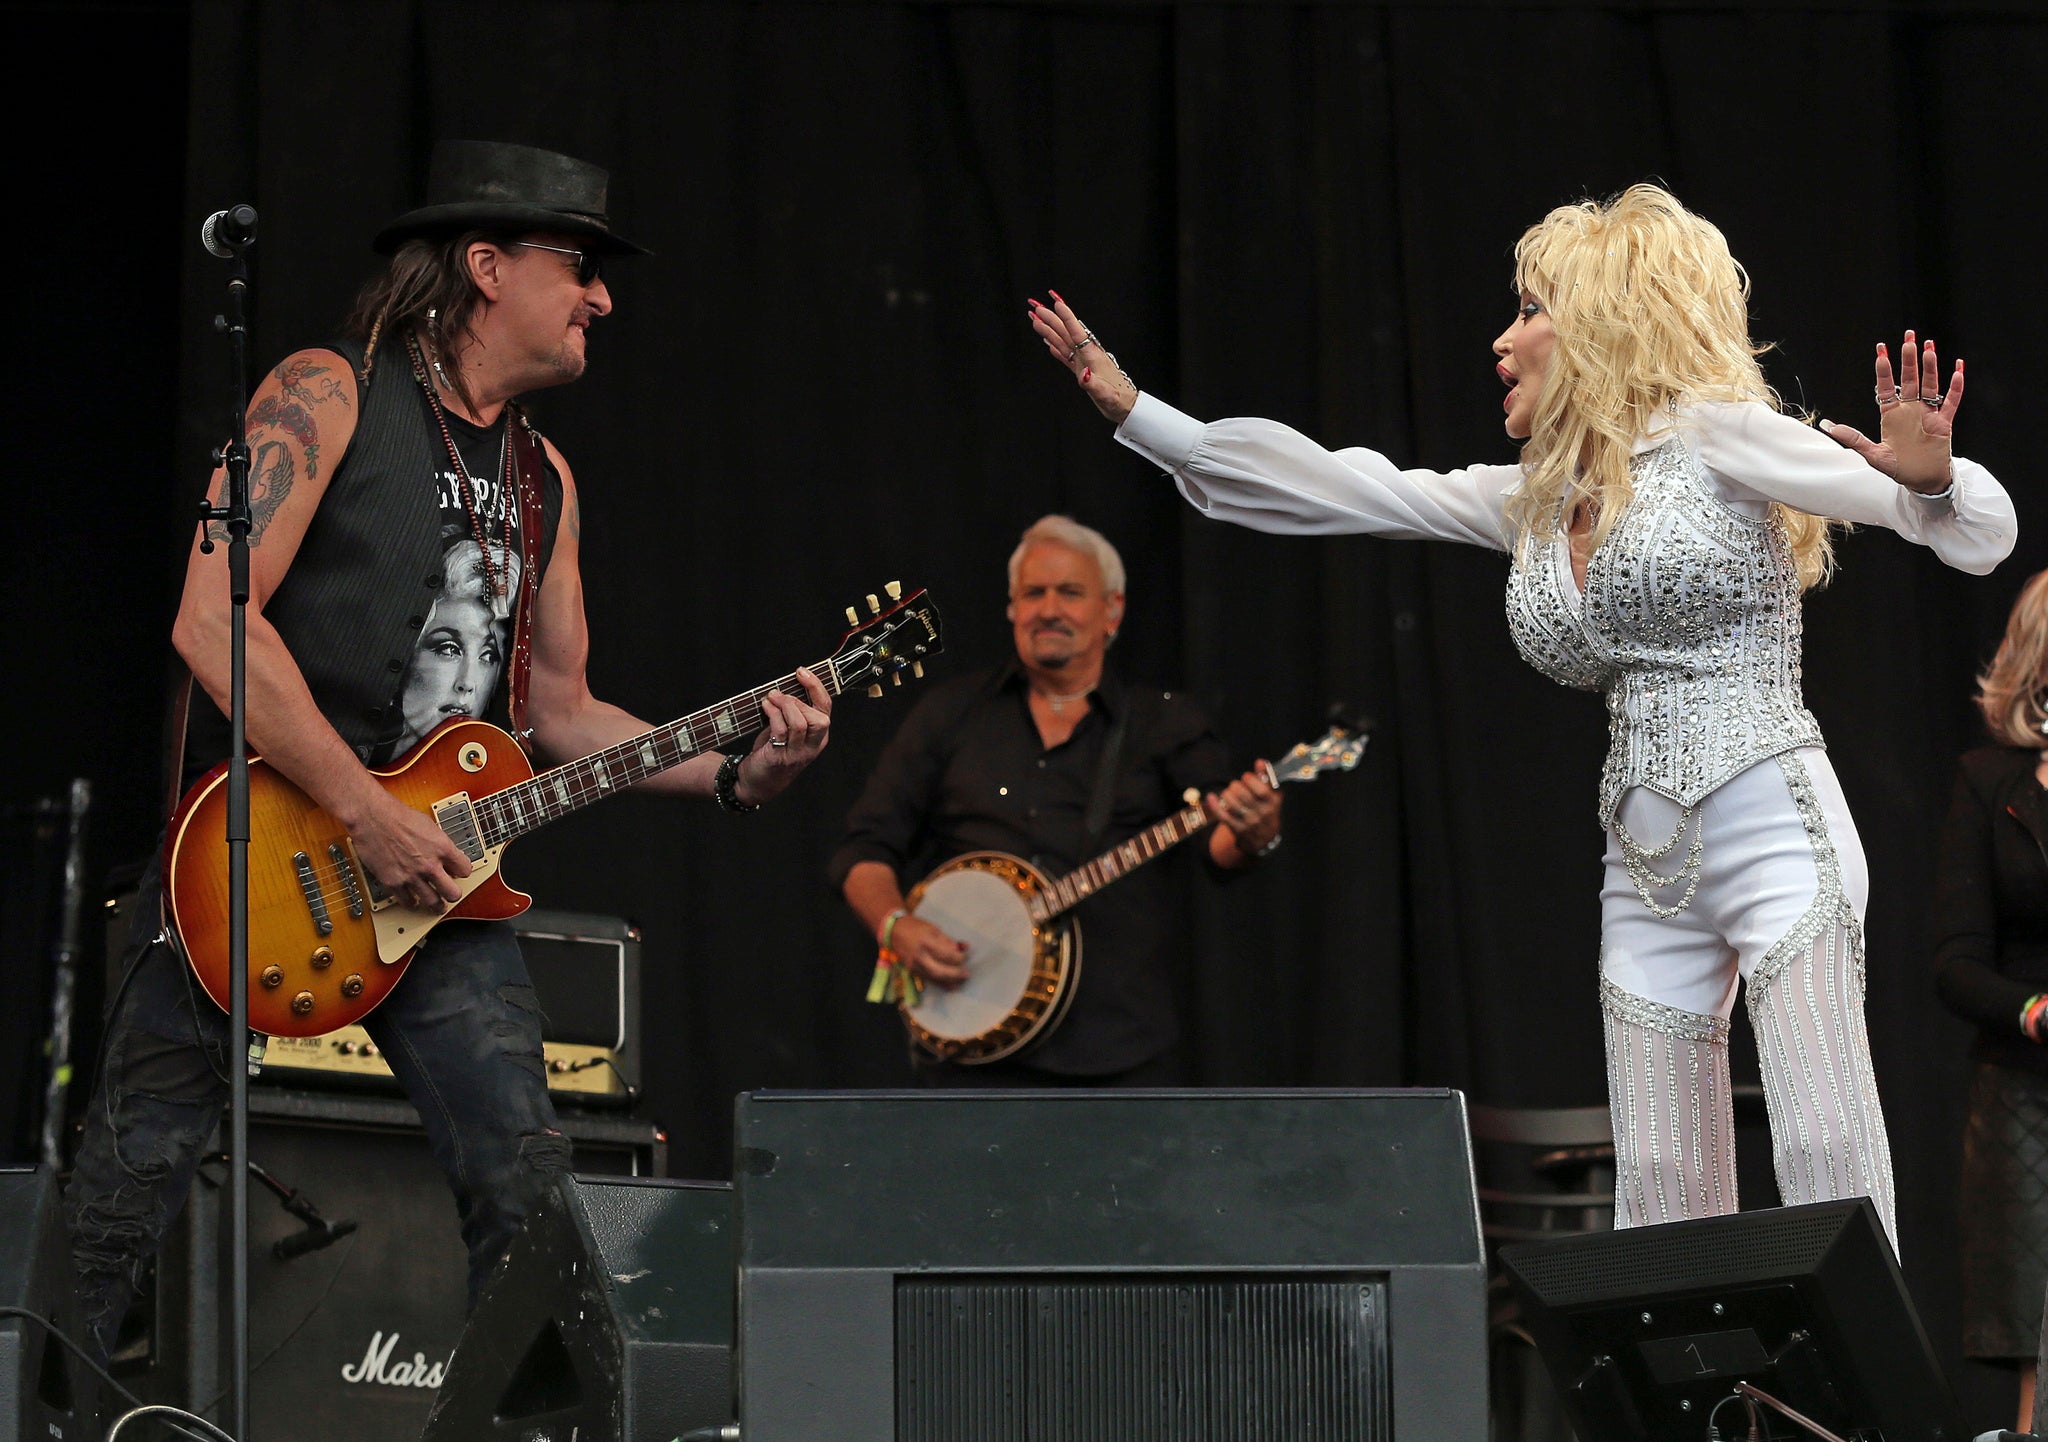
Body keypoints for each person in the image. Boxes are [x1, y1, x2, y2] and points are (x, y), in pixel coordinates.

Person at [1027, 183, 2017, 1243]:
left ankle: (1860, 1409)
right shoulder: (1535, 501)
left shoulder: (1719, 438)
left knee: (1823, 1153)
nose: (1501, 339)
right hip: (1641, 868)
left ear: (1602, 322)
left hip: (1775, 829)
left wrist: (1931, 482)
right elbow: (1341, 487)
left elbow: (1977, 536)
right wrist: (1141, 414)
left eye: (1530, 310)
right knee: (1656, 1191)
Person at [66, 139, 834, 1359]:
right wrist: (366, 814)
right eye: (575, 265)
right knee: (126, 1181)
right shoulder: (326, 391)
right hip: (259, 851)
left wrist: (742, 764)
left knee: (529, 1195)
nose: (601, 297)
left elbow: (561, 711)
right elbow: (210, 619)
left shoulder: (544, 478)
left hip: (439, 889)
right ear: (485, 266)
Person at [830, 514, 1283, 1085]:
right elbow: (863, 850)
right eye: (1033, 593)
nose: (1049, 609)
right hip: (966, 1053)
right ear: (1012, 609)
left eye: (1070, 592)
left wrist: (1257, 830)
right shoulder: (951, 714)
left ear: (1111, 611)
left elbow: (1220, 845)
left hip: (1117, 1050)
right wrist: (897, 926)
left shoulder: (1163, 722)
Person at [1934, 569, 2048, 1432]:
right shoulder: (1988, 782)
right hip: (2026, 1094)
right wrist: (2036, 1011)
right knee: (2039, 1338)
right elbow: (1957, 964)